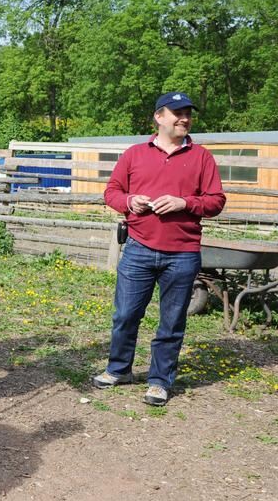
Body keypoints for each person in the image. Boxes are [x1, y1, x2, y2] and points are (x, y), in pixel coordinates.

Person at [92, 92, 225, 407]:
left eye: (188, 114)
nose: (184, 119)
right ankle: (119, 369)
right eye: (177, 113)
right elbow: (112, 192)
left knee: (172, 321)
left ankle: (159, 381)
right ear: (159, 117)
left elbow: (216, 200)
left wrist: (185, 202)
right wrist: (129, 201)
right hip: (138, 248)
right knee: (125, 315)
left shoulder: (201, 157)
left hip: (182, 253)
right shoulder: (135, 154)